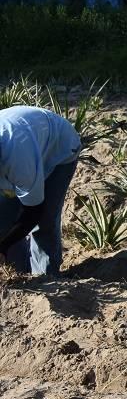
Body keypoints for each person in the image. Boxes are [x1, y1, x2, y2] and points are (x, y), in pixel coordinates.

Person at [0, 105, 81, 276]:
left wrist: (3, 246)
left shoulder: (19, 162)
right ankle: (19, 272)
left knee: (44, 221)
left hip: (60, 149)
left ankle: (45, 276)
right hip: (29, 132)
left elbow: (33, 212)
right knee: (4, 218)